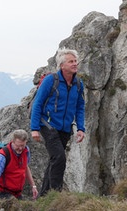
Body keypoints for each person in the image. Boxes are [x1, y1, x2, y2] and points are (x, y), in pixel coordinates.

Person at [30, 47, 85, 197]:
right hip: (48, 125)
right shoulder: (51, 80)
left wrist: (81, 129)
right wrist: (34, 128)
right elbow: (38, 104)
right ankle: (56, 195)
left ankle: (44, 197)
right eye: (71, 61)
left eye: (75, 61)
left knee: (54, 160)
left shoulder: (78, 84)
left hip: (65, 129)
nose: (75, 64)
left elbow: (80, 107)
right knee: (59, 157)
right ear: (62, 65)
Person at [0, 129, 38, 211]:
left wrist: (33, 186)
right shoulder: (2, 156)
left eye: (23, 145)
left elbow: (25, 167)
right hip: (2, 192)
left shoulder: (26, 150)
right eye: (18, 146)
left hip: (17, 193)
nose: (20, 149)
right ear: (12, 142)